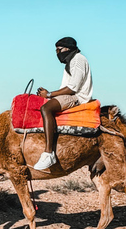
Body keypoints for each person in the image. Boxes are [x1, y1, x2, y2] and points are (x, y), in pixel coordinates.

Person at [33, 37, 93, 170]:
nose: (57, 54)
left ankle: (49, 153)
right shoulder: (71, 61)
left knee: (46, 109)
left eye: (59, 50)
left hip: (76, 97)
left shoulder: (78, 60)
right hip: (71, 95)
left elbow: (72, 88)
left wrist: (49, 95)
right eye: (56, 51)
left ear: (68, 49)